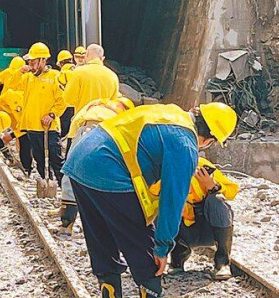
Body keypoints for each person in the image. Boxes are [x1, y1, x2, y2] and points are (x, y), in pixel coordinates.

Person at [62, 102, 237, 298]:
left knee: (100, 235)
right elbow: (172, 201)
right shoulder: (185, 143)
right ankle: (150, 288)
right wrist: (162, 248)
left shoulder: (169, 112)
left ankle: (109, 290)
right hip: (107, 167)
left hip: (80, 159)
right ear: (209, 140)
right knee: (145, 251)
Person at [55, 97, 134, 235]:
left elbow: (74, 125)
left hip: (86, 127)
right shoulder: (125, 112)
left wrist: (71, 149)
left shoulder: (93, 105)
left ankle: (66, 223)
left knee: (71, 173)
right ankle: (105, 223)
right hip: (110, 134)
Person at [156, 157, 238, 280]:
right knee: (164, 207)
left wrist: (213, 186)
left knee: (217, 200)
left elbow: (233, 191)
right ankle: (177, 260)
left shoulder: (201, 165)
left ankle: (222, 263)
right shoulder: (161, 171)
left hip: (208, 228)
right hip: (182, 231)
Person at [17, 42, 66, 183]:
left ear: (43, 60)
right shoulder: (27, 78)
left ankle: (64, 190)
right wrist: (18, 72)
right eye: (29, 61)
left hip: (49, 127)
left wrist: (52, 114)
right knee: (39, 158)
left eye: (33, 61)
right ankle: (46, 183)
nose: (30, 64)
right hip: (32, 125)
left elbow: (62, 100)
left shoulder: (55, 77)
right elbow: (12, 86)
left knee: (56, 158)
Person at [63, 44, 120, 116]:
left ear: (86, 55)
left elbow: (68, 99)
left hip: (83, 121)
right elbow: (114, 103)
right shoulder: (112, 76)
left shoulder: (78, 72)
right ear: (102, 58)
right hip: (105, 123)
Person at [56, 50, 77, 150]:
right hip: (77, 107)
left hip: (64, 107)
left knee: (63, 133)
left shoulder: (61, 75)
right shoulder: (78, 71)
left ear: (60, 63)